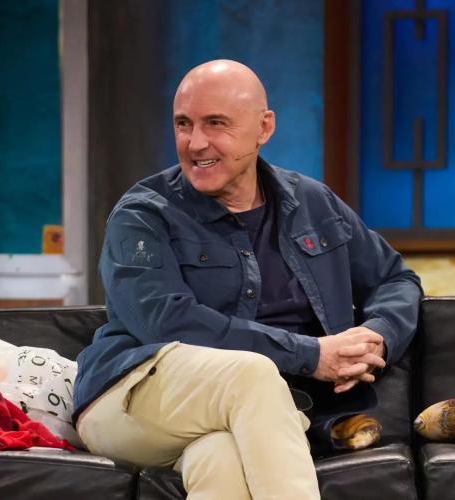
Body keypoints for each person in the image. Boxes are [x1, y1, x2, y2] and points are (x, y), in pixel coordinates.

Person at [72, 59, 422, 500]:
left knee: (222, 459)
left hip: (249, 414)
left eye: (216, 123)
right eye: (183, 124)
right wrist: (312, 354)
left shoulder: (313, 203)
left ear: (264, 127)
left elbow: (395, 278)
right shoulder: (143, 214)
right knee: (252, 374)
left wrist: (377, 337)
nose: (196, 143)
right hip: (129, 397)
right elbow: (166, 322)